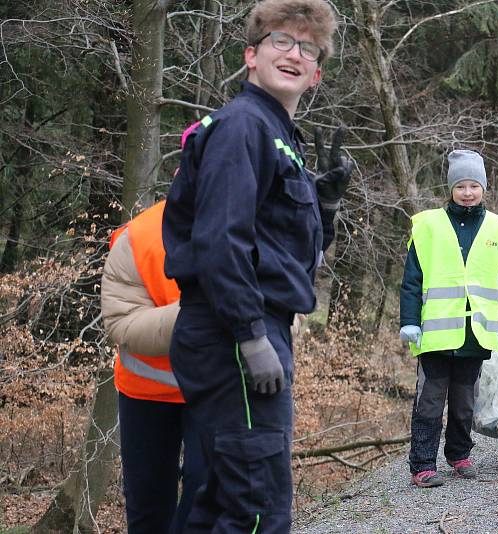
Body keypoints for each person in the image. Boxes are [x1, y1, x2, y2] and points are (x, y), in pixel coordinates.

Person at [161, 0, 351, 531]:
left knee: (221, 501)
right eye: (281, 41)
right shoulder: (243, 125)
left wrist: (326, 207)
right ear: (251, 54)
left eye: (307, 47)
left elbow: (286, 255)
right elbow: (222, 240)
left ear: (316, 74)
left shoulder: (279, 136)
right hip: (233, 334)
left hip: (255, 328)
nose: (294, 53)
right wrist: (249, 333)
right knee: (258, 507)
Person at [400, 149, 498, 488]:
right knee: (430, 400)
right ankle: (422, 463)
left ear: (484, 188)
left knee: (466, 401)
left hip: (475, 333)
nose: (468, 192)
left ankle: (459, 454)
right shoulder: (428, 226)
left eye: (474, 185)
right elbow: (412, 280)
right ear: (450, 188)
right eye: (461, 186)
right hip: (435, 334)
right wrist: (410, 321)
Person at [101, 199, 205, 534]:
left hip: (215, 389)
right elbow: (121, 325)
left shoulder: (253, 228)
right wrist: (200, 313)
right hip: (145, 395)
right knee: (148, 511)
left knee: (206, 496)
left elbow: (282, 312)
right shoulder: (140, 236)